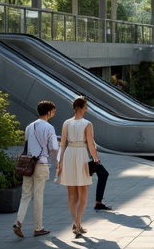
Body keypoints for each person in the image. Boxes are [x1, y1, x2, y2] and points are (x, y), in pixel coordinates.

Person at [14, 100, 59, 238]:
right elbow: (54, 147)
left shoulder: (29, 127)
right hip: (41, 164)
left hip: (28, 165)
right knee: (38, 196)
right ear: (49, 111)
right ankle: (38, 228)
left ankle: (18, 222)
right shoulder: (49, 128)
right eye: (53, 111)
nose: (54, 113)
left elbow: (27, 145)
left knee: (25, 195)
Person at [57, 96, 100, 237]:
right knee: (83, 195)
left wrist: (60, 161)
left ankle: (77, 223)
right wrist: (96, 158)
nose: (86, 109)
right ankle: (77, 223)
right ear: (82, 108)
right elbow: (90, 144)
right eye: (86, 107)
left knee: (72, 195)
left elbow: (62, 144)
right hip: (81, 155)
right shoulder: (87, 124)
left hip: (69, 155)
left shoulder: (66, 123)